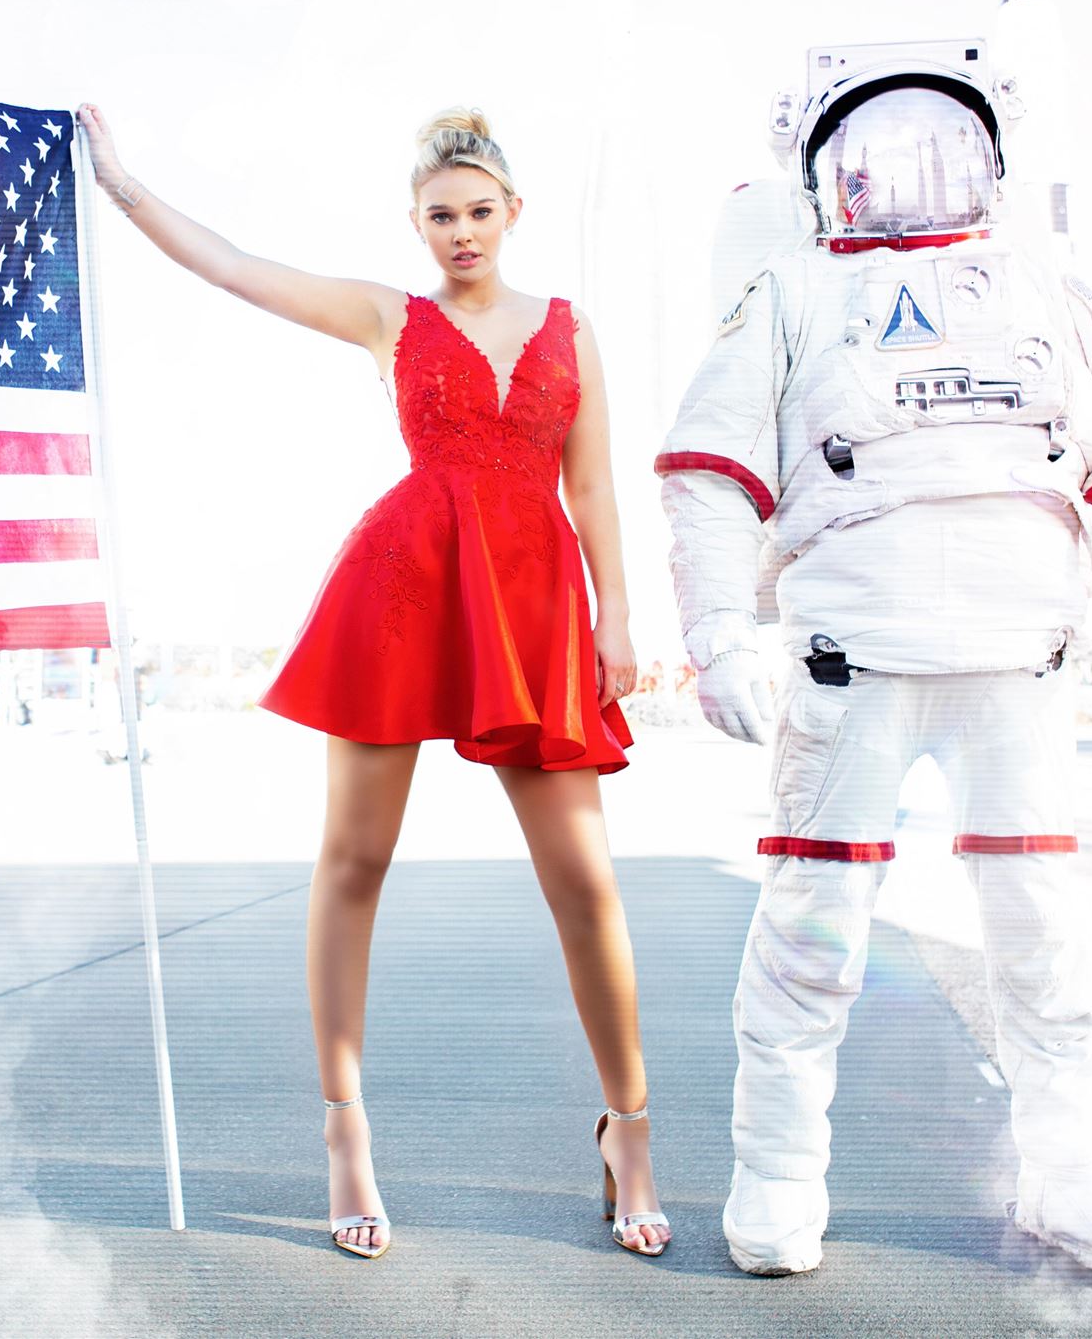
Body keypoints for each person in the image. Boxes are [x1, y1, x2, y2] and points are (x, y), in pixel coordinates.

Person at [76, 104, 668, 1263]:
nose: (460, 233)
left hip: (535, 604)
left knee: (586, 886)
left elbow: (591, 489)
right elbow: (240, 268)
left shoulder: (569, 327)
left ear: (511, 213)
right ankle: (345, 1132)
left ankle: (630, 1132)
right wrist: (122, 184)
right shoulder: (388, 316)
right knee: (353, 861)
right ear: (416, 222)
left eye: (478, 213)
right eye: (439, 216)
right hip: (406, 586)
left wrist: (617, 616)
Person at [656, 55, 1092, 1282]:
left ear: (990, 156)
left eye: (935, 139)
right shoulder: (790, 290)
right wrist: (715, 636)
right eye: (871, 147)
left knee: (1041, 937)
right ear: (820, 172)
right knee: (810, 931)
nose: (902, 168)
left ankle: (1070, 1177)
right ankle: (777, 1175)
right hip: (854, 664)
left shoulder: (1045, 287)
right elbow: (708, 466)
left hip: (1017, 668)